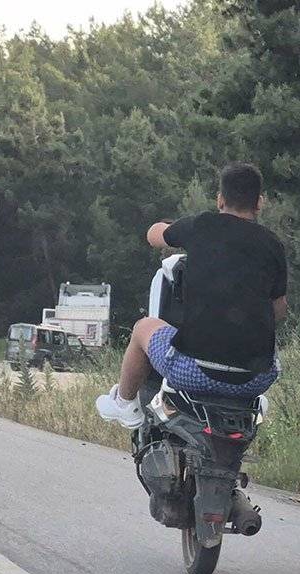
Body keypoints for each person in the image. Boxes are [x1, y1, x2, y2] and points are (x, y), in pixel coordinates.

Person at [96, 162, 287, 428]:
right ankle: (249, 406)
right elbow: (278, 308)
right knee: (269, 350)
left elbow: (155, 236)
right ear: (259, 203)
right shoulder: (273, 245)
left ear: (220, 200)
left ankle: (125, 405)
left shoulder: (201, 226)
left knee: (142, 329)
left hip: (195, 373)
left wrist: (161, 226)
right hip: (254, 380)